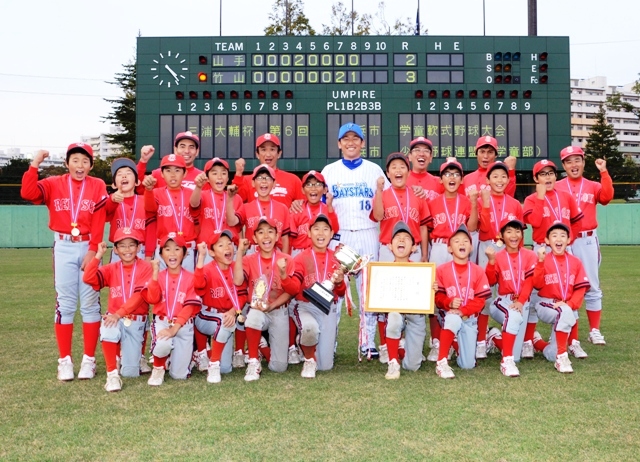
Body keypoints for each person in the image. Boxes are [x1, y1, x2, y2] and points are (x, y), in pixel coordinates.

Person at [20, 144, 107, 381]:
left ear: (91, 165)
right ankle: (65, 360)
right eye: (75, 160)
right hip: (64, 245)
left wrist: (93, 251)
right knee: (65, 304)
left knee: (90, 303)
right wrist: (35, 163)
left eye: (85, 161)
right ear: (67, 163)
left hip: (88, 245)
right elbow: (28, 193)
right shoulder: (53, 183)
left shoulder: (97, 184)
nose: (80, 165)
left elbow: (99, 219)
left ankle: (89, 360)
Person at [321, 122, 390, 359]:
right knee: (334, 288)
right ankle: (329, 341)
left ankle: (367, 342)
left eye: (355, 138)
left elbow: (387, 202)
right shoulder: (329, 171)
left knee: (368, 291)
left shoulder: (374, 170)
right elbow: (319, 203)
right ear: (339, 144)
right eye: (346, 139)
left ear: (362, 143)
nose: (351, 142)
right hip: (339, 235)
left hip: (367, 232)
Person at [522, 159, 583, 357]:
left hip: (564, 248)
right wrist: (540, 197)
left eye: (550, 173)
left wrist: (569, 239)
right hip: (541, 248)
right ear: (536, 178)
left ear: (556, 176)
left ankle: (573, 341)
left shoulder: (566, 196)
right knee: (533, 296)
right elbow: (534, 221)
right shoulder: (531, 199)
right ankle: (528, 341)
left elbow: (577, 222)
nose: (547, 177)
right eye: (542, 174)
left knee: (568, 293)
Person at [83, 228, 154, 391]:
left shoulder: (145, 267)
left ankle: (124, 356)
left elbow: (139, 297)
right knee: (108, 327)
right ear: (115, 249)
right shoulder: (111, 268)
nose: (127, 249)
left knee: (130, 372)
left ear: (138, 247)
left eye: (131, 245)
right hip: (115, 318)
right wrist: (98, 256)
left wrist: (118, 314)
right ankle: (112, 374)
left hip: (135, 320)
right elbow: (88, 277)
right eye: (122, 245)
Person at [556, 146, 613, 345]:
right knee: (566, 287)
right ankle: (568, 331)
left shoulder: (593, 185)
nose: (574, 164)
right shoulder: (557, 186)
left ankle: (594, 330)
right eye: (569, 161)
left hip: (587, 240)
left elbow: (606, 198)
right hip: (563, 241)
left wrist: (603, 172)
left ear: (583, 162)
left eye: (577, 160)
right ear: (564, 165)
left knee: (591, 285)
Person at [233, 217, 299, 381]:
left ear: (277, 236)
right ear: (255, 238)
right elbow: (238, 281)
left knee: (279, 367)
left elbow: (292, 291)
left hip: (278, 310)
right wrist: (240, 252)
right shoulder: (249, 259)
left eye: (270, 231)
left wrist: (273, 303)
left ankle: (261, 344)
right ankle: (253, 361)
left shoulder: (287, 259)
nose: (266, 236)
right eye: (261, 232)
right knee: (253, 317)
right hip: (257, 309)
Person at [426, 159, 477, 362]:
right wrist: (425, 253)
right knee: (436, 294)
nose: (452, 177)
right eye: (447, 174)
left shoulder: (466, 201)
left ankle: (454, 338)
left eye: (456, 174)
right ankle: (436, 341)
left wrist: (474, 203)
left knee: (459, 292)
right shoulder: (433, 202)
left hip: (461, 249)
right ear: (441, 180)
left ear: (462, 179)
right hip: (439, 247)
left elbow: (472, 227)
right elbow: (427, 229)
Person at [287, 170, 339, 365]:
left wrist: (330, 207)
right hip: (301, 255)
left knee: (325, 296)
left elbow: (335, 228)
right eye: (309, 184)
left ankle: (325, 342)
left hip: (321, 256)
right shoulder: (296, 209)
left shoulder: (327, 209)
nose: (313, 188)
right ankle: (295, 345)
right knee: (296, 300)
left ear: (324, 189)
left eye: (317, 184)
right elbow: (290, 236)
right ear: (303, 190)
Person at [475, 161, 524, 359]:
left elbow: (519, 234)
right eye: (495, 176)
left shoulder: (514, 203)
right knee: (485, 294)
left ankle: (505, 335)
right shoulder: (481, 200)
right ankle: (481, 340)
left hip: (508, 248)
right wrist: (486, 203)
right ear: (487, 180)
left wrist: (519, 254)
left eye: (503, 176)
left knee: (508, 293)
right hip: (487, 246)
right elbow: (485, 228)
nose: (499, 180)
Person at [290, 214, 347, 378]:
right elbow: (294, 288)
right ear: (309, 233)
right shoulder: (300, 258)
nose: (321, 233)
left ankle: (305, 344)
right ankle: (308, 359)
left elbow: (341, 292)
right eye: (316, 229)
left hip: (328, 308)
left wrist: (340, 283)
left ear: (332, 234)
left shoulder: (337, 259)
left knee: (325, 366)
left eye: (325, 229)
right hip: (306, 306)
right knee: (310, 328)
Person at [531, 223, 591, 373]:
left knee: (552, 354)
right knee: (567, 312)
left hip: (565, 306)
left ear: (569, 240)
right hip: (545, 303)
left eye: (563, 236)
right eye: (554, 235)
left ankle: (537, 342)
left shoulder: (575, 261)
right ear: (547, 240)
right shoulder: (542, 259)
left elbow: (580, 288)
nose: (559, 239)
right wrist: (540, 263)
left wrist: (570, 304)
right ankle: (562, 358)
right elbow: (536, 284)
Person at [434, 224, 491, 379]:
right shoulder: (441, 270)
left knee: (467, 365)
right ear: (449, 248)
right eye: (457, 241)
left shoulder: (478, 270)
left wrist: (463, 311)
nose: (462, 243)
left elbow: (480, 301)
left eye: (466, 241)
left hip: (469, 319)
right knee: (452, 317)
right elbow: (438, 298)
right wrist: (448, 303)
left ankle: (455, 344)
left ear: (471, 247)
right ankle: (441, 362)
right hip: (449, 316)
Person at [483, 219, 537, 377]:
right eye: (509, 231)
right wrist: (491, 262)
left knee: (517, 354)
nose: (514, 235)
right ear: (501, 235)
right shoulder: (498, 256)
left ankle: (494, 338)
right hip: (503, 301)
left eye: (517, 231)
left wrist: (521, 301)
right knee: (512, 316)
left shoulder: (530, 255)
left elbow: (530, 282)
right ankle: (506, 361)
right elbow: (491, 281)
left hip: (523, 302)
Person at [145, 233, 201, 386]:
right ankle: (158, 368)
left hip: (183, 326)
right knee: (163, 343)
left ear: (185, 253)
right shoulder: (158, 276)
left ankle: (180, 358)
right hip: (163, 322)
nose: (172, 253)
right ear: (161, 253)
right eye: (167, 249)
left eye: (177, 249)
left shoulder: (191, 277)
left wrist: (174, 329)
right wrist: (154, 275)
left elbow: (189, 307)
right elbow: (152, 299)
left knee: (179, 375)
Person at [193, 231, 248, 383]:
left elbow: (243, 295)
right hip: (206, 316)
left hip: (227, 316)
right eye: (221, 245)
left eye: (229, 244)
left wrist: (232, 312)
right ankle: (213, 364)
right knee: (223, 323)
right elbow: (198, 285)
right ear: (212, 252)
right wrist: (201, 257)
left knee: (226, 368)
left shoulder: (236, 268)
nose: (227, 247)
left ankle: (205, 354)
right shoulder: (207, 269)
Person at [381, 222, 428, 380]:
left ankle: (402, 348)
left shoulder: (422, 271)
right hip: (397, 314)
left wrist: (431, 288)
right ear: (390, 246)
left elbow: (426, 298)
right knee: (394, 317)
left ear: (414, 248)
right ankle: (393, 361)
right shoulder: (383, 271)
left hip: (415, 317)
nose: (401, 240)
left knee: (412, 366)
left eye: (406, 238)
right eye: (397, 237)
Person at [372, 152, 431, 263]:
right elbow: (378, 217)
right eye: (394, 167)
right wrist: (379, 190)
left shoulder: (418, 195)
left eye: (402, 167)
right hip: (388, 248)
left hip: (414, 249)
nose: (398, 170)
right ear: (388, 173)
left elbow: (423, 227)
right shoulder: (382, 195)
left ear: (408, 173)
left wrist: (424, 254)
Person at [143, 154, 198, 271]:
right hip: (164, 248)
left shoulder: (192, 194)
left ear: (185, 174)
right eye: (168, 170)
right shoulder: (156, 193)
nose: (173, 174)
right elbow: (149, 209)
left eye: (177, 170)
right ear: (162, 174)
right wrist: (148, 190)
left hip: (188, 249)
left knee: (188, 282)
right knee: (162, 282)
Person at [226, 163, 291, 254]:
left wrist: (285, 258)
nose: (264, 181)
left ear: (274, 184)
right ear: (253, 183)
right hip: (253, 253)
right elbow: (231, 222)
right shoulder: (246, 207)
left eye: (268, 178)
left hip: (276, 252)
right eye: (259, 178)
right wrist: (230, 198)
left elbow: (285, 239)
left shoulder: (283, 208)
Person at [189, 157, 243, 264]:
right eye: (214, 173)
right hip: (207, 249)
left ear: (228, 177)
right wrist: (198, 187)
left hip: (229, 248)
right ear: (207, 178)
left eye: (223, 173)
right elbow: (193, 204)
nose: (219, 177)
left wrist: (230, 199)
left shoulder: (236, 198)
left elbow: (236, 225)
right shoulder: (202, 195)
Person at [231, 133, 304, 207]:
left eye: (272, 149)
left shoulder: (293, 180)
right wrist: (238, 173)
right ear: (257, 154)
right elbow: (234, 203)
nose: (268, 154)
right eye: (263, 150)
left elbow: (305, 205)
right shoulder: (247, 180)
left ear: (279, 153)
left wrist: (298, 204)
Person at [105, 158, 152, 262]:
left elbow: (151, 229)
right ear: (113, 184)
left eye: (128, 173)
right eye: (119, 174)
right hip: (119, 249)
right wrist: (112, 200)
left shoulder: (145, 200)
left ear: (137, 182)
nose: (124, 176)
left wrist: (149, 254)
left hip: (140, 249)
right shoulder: (111, 201)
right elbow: (105, 212)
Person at [137, 131, 203, 191]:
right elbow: (139, 188)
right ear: (175, 149)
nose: (186, 151)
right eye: (182, 146)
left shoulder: (202, 177)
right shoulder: (158, 174)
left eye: (191, 147)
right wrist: (143, 161)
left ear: (197, 151)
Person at [405, 137, 443, 201]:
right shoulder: (401, 181)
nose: (421, 154)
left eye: (426, 151)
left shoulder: (439, 182)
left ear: (431, 158)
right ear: (410, 156)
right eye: (417, 150)